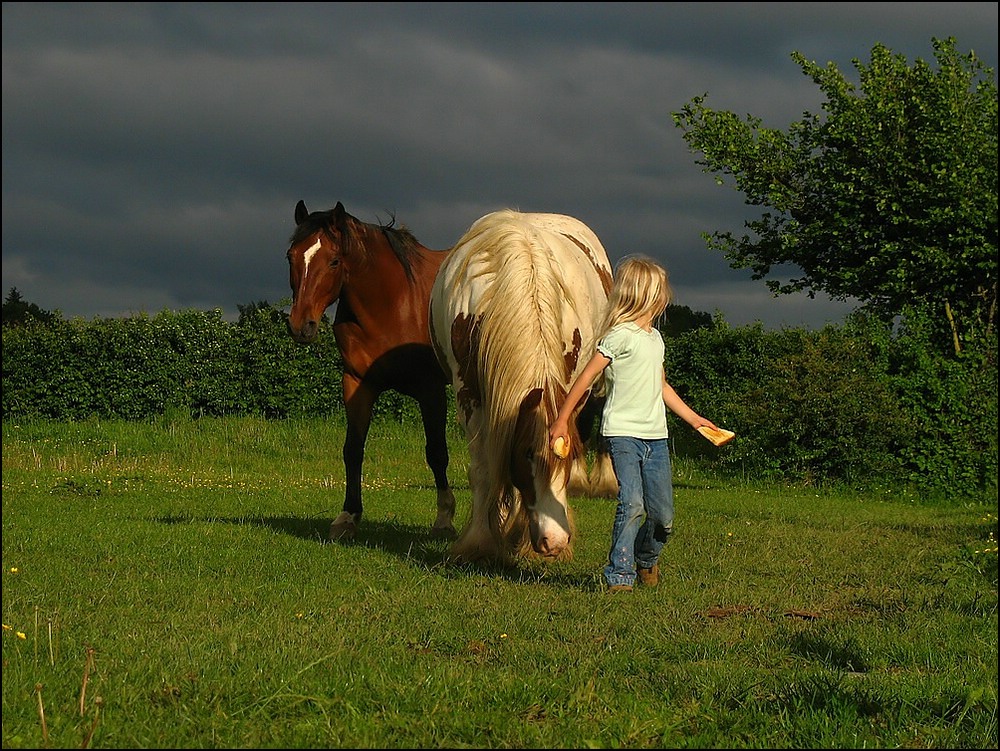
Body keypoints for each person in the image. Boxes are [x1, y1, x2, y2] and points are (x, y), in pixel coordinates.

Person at [549, 255, 721, 593]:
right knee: (632, 503)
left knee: (664, 517)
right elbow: (585, 380)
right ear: (642, 295)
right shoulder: (619, 337)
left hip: (656, 439)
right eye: (659, 292)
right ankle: (619, 575)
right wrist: (561, 421)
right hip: (622, 435)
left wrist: (694, 419)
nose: (664, 298)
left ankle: (646, 558)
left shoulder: (655, 339)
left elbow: (662, 387)